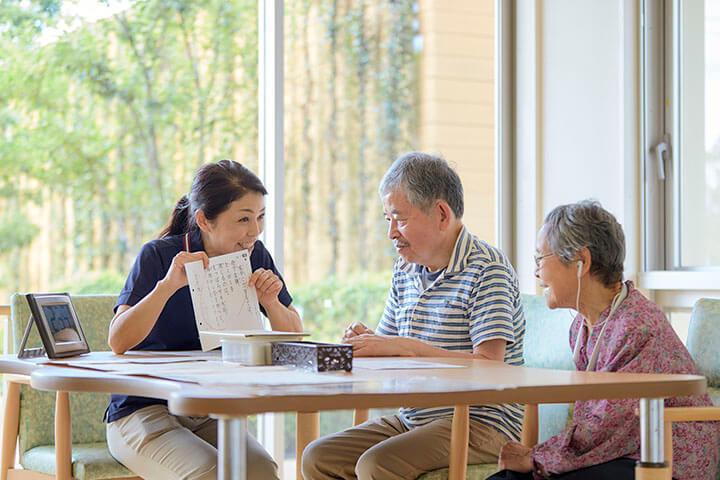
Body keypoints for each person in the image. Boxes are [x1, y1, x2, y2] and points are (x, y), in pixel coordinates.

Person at [301, 152, 526, 480]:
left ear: (441, 214)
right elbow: (389, 346)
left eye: (400, 219)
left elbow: (491, 367)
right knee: (318, 457)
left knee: (377, 464)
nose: (391, 232)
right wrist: (365, 342)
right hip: (416, 419)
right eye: (386, 219)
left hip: (482, 423)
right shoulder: (406, 269)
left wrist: (405, 347)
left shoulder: (487, 268)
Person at [491, 200, 719, 480]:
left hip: (666, 463)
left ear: (581, 262)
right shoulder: (582, 327)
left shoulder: (636, 326)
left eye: (541, 258)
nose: (536, 271)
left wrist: (537, 456)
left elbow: (610, 427)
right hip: (617, 454)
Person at [105, 160, 302, 480]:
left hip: (210, 410)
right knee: (208, 473)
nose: (255, 231)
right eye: (243, 219)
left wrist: (271, 303)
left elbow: (294, 332)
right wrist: (167, 285)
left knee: (262, 471)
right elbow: (118, 340)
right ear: (204, 221)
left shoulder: (255, 254)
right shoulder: (158, 255)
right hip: (142, 410)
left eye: (260, 217)